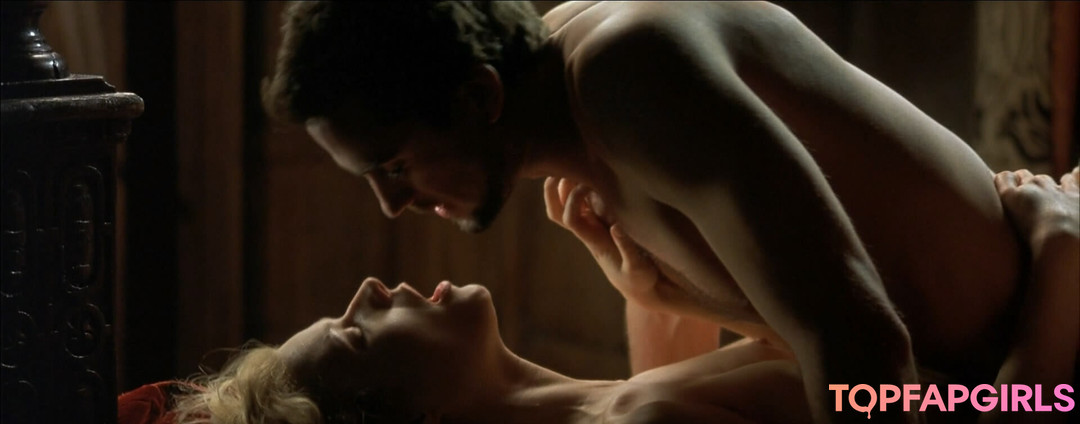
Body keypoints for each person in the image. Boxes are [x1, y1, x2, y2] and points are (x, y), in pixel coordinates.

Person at [261, 2, 1048, 422]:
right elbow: (804, 344)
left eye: (395, 165)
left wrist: (1062, 275)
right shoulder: (572, 114)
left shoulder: (629, 82)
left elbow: (862, 346)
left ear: (479, 97)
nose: (392, 205)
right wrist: (664, 297)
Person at [116, 169, 1076, 424]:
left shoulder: (613, 404)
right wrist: (1061, 264)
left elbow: (843, 382)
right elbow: (1007, 408)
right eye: (357, 333)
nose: (367, 288)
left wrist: (654, 288)